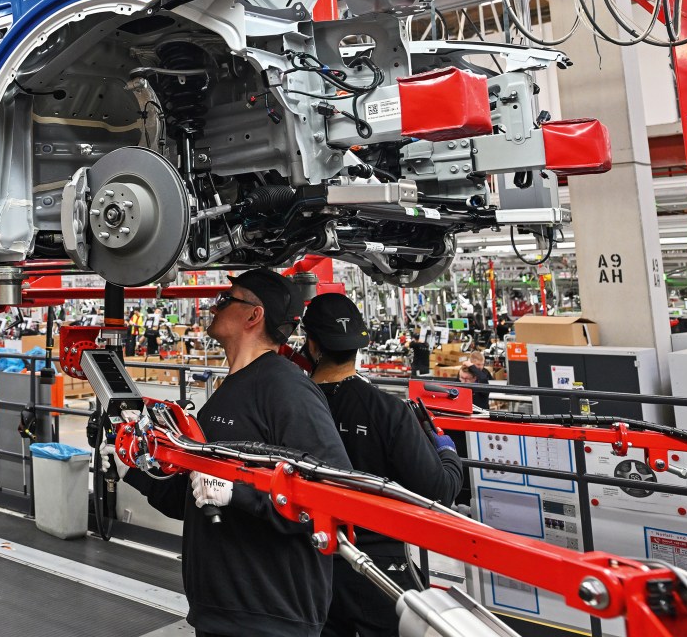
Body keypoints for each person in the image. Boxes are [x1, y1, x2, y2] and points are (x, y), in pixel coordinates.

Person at [123, 269, 352, 637]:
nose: (215, 307)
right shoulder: (231, 389)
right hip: (221, 612)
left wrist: (239, 494)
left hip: (269, 616)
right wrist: (140, 456)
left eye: (226, 300)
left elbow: (334, 493)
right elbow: (191, 499)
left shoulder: (285, 387)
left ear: (252, 315)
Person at [300, 293, 464, 637]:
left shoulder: (291, 404)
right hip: (378, 566)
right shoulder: (387, 410)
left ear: (311, 344)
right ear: (359, 344)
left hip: (309, 561)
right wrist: (446, 451)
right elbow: (438, 492)